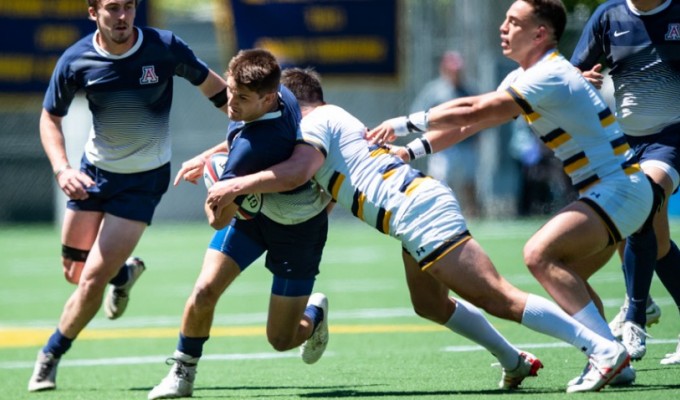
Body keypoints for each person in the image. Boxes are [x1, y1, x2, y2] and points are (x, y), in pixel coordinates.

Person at [207, 66, 635, 393]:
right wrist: (212, 158)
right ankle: (513, 360)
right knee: (429, 304)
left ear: (291, 103)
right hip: (413, 212)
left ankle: (602, 350)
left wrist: (236, 183)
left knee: (497, 296)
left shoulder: (314, 123)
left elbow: (299, 171)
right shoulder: (328, 121)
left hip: (417, 211)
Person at [368, 0, 654, 391]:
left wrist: (405, 123)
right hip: (611, 192)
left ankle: (606, 353)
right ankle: (613, 360)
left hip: (618, 189)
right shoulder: (530, 75)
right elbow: (470, 122)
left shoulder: (549, 73)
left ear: (540, 33)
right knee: (570, 282)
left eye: (514, 21)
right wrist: (411, 151)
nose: (503, 27)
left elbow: (475, 105)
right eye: (504, 19)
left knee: (539, 255)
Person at [28, 0, 232, 393]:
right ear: (93, 13)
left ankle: (50, 355)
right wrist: (62, 169)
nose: (122, 17)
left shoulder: (165, 47)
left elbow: (217, 91)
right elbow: (49, 117)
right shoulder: (76, 60)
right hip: (92, 175)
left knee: (90, 280)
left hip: (142, 182)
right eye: (112, 9)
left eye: (128, 7)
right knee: (74, 273)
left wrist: (253, 130)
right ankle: (125, 273)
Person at [147, 49, 332, 400]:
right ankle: (182, 373)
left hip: (297, 226)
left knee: (281, 340)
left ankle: (314, 315)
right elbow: (241, 131)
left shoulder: (251, 149)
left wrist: (217, 190)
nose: (230, 103)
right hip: (256, 213)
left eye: (242, 97)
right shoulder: (281, 94)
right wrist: (208, 157)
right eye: (230, 90)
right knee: (204, 291)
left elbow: (218, 220)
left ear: (268, 97)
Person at [570, 0, 680, 364]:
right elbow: (572, 73)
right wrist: (581, 80)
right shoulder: (608, 16)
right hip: (625, 142)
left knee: (641, 206)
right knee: (658, 243)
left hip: (672, 138)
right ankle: (642, 309)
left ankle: (634, 318)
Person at [410, 51, 481, 217]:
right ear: (445, 69)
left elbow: (479, 115)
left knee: (468, 181)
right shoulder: (435, 90)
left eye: (458, 70)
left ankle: (473, 213)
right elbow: (418, 113)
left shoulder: (470, 89)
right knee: (439, 181)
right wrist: (432, 134)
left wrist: (477, 137)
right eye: (452, 70)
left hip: (465, 144)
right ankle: (438, 213)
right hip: (443, 147)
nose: (455, 74)